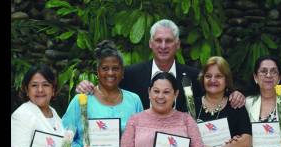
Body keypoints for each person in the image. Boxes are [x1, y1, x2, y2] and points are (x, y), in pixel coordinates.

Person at [76, 19, 245, 111]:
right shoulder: (131, 74)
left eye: (168, 41)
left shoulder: (193, 76)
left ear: (177, 44)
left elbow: (216, 93)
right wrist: (86, 86)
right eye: (158, 40)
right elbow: (107, 86)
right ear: (150, 43)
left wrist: (234, 94)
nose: (163, 46)